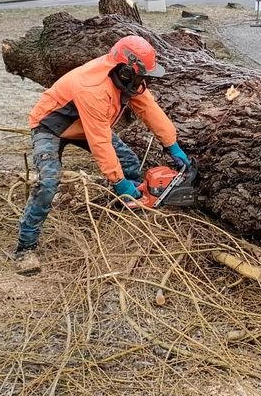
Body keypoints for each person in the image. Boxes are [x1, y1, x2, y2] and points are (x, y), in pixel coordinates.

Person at [13, 35, 190, 274]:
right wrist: (119, 181)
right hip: (50, 126)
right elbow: (99, 142)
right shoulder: (93, 88)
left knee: (128, 162)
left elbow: (150, 109)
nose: (144, 82)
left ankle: (126, 210)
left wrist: (172, 145)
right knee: (48, 181)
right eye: (141, 76)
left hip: (87, 124)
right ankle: (26, 247)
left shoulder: (127, 81)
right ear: (126, 71)